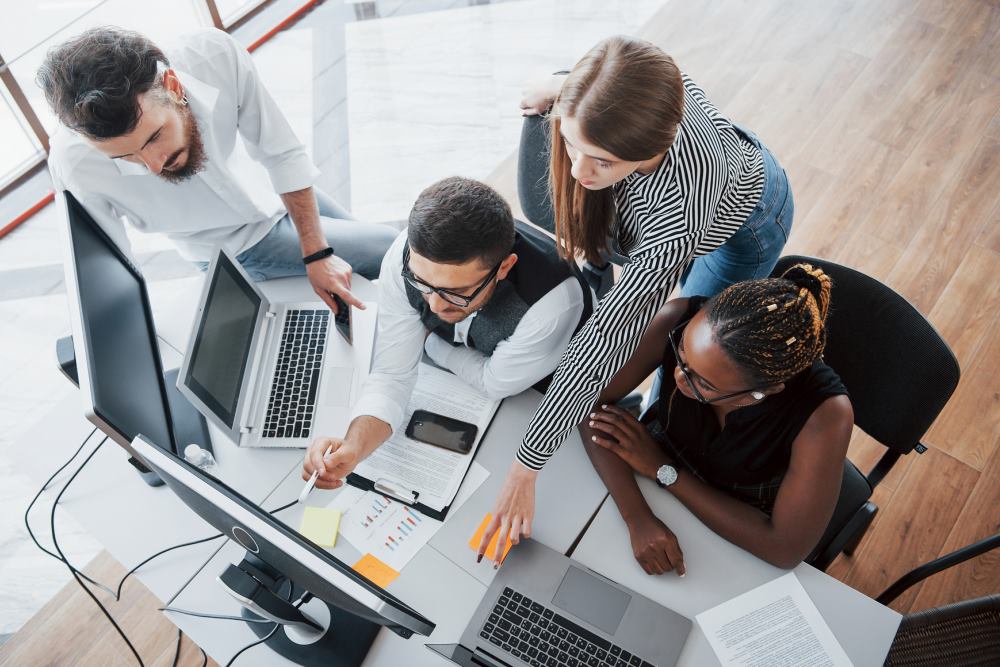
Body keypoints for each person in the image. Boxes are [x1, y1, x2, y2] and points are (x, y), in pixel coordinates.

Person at [479, 35, 795, 563]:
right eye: (571, 143)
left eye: (600, 160)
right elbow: (598, 85)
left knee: (691, 348)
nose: (579, 171)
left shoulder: (675, 216)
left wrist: (525, 466)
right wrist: (556, 90)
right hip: (697, 161)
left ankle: (657, 425)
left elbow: (606, 338)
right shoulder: (632, 76)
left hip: (746, 221)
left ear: (650, 150)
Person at [38, 26, 396, 312]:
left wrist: (317, 253)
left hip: (271, 192)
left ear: (173, 86)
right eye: (124, 157)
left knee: (394, 263)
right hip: (234, 247)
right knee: (392, 251)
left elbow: (281, 152)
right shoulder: (74, 164)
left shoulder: (214, 56)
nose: (152, 165)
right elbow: (112, 266)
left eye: (153, 138)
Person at [301, 177, 592, 490]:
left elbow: (494, 382)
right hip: (472, 370)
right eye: (422, 283)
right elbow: (392, 375)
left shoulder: (550, 308)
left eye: (457, 291)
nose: (435, 305)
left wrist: (430, 343)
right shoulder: (406, 256)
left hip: (547, 386)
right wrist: (354, 446)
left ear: (504, 268)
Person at [582, 264, 851, 573]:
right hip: (648, 469)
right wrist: (637, 516)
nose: (677, 378)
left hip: (740, 519)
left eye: (703, 384)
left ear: (761, 393)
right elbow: (585, 401)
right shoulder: (677, 318)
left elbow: (783, 549)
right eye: (681, 353)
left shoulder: (825, 416)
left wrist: (664, 470)